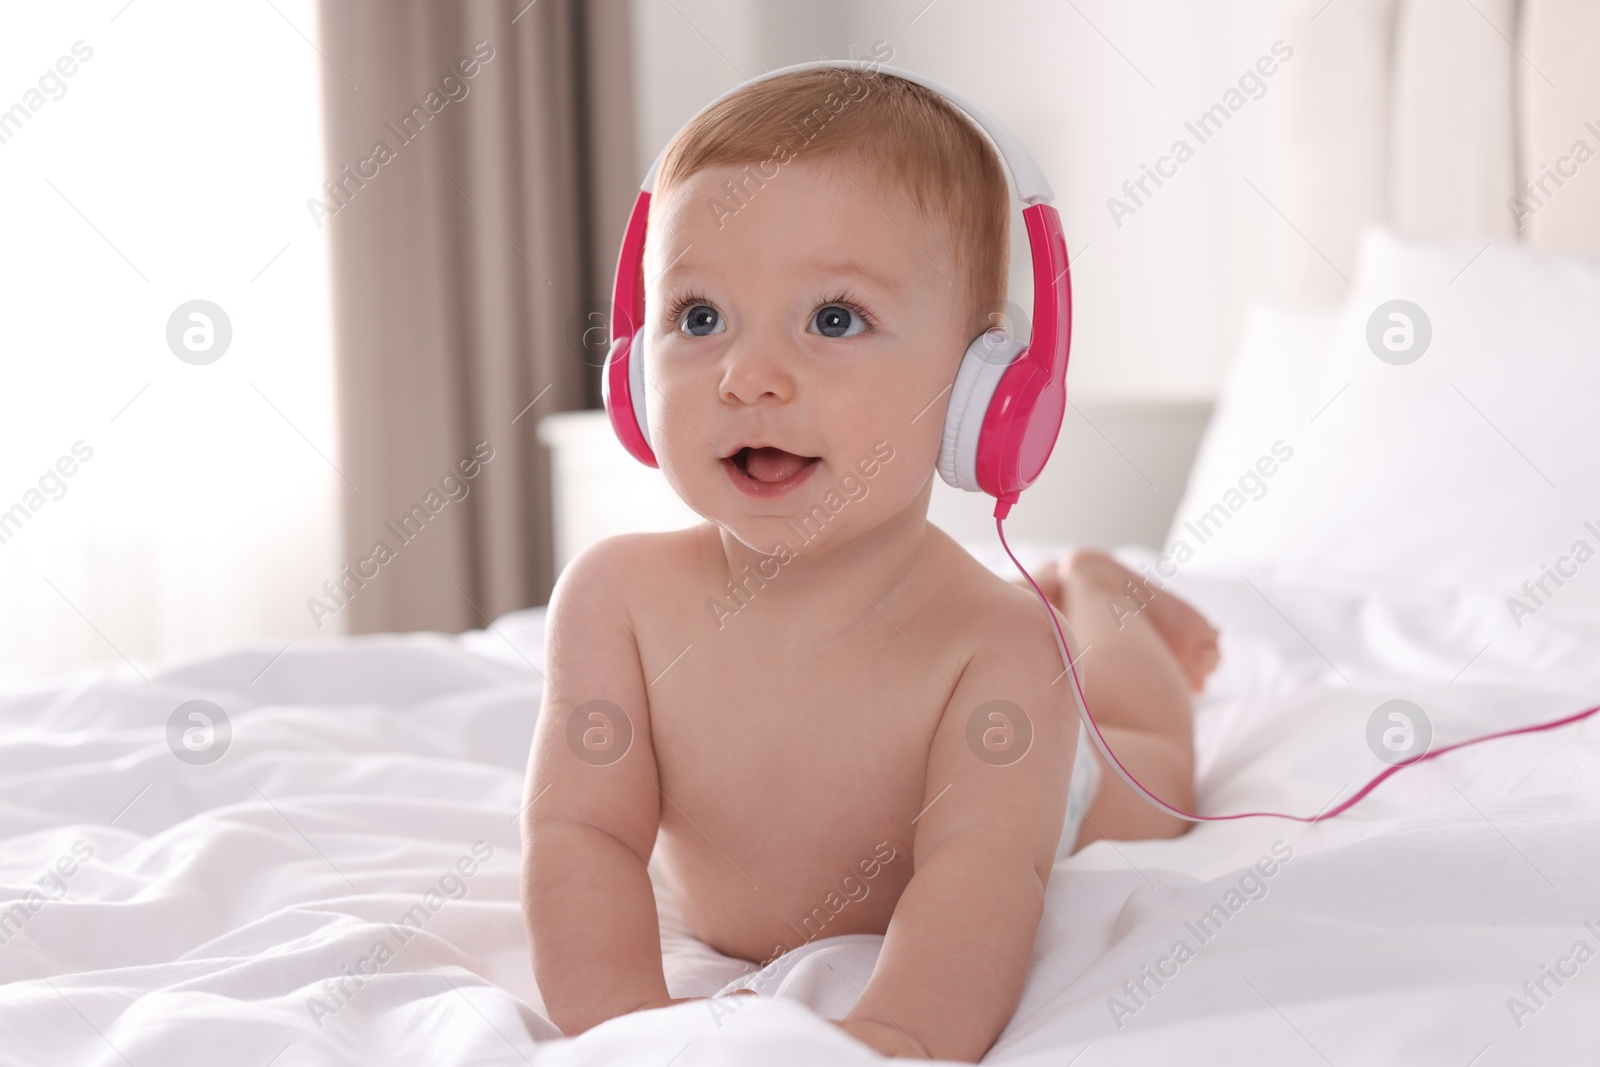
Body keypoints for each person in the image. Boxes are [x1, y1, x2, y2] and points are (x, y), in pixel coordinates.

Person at [520, 66, 1219, 1061]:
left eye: (834, 318)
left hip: (1038, 785)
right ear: (634, 362)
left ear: (985, 390)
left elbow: (980, 874)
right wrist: (628, 1029)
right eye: (699, 316)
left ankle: (1104, 593)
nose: (748, 376)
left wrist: (894, 1037)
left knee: (1149, 757)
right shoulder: (614, 600)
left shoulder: (998, 644)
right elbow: (579, 834)